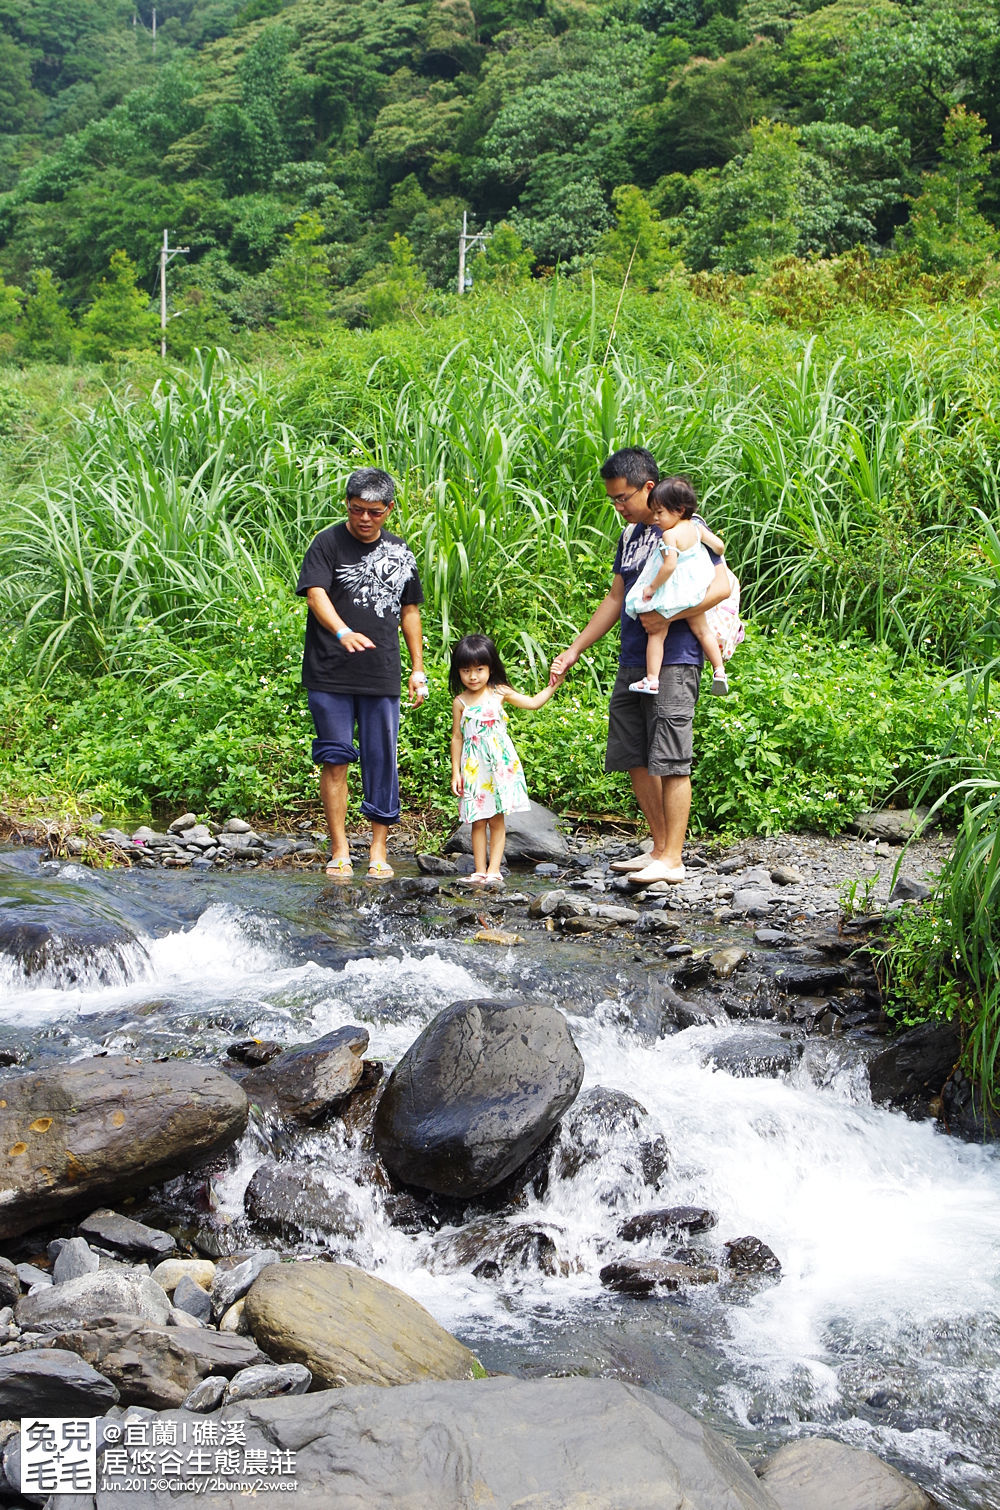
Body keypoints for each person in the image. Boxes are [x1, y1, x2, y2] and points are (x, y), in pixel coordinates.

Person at [550, 447, 729, 887]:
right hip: (634, 657)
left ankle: (674, 858)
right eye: (612, 499)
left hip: (675, 656)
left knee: (670, 757)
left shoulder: (686, 526)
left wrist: (668, 616)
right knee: (634, 753)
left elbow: (722, 584)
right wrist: (574, 650)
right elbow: (615, 598)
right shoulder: (630, 536)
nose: (618, 507)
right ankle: (658, 847)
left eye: (622, 498)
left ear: (649, 489)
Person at [296, 467, 426, 880]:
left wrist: (418, 669)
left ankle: (378, 849)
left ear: (389, 509)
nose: (364, 519)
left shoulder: (401, 551)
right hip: (330, 672)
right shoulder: (327, 543)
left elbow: (410, 611)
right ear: (347, 506)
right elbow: (315, 593)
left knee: (381, 760)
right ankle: (338, 849)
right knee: (334, 760)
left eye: (373, 511)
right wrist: (342, 630)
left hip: (381, 672)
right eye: (356, 510)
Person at [449, 633, 558, 886]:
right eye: (466, 670)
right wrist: (456, 772)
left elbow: (532, 703)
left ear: (490, 668)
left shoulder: (499, 692)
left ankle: (494, 870)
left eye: (479, 669)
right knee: (477, 819)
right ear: (458, 672)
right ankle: (479, 870)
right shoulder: (461, 701)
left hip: (499, 766)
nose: (473, 676)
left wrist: (553, 684)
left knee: (497, 819)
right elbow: (457, 737)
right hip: (474, 768)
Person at [624, 476, 729, 698]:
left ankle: (652, 680)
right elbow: (719, 547)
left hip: (675, 591)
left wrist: (651, 588)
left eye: (660, 512)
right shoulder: (697, 529)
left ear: (679, 510)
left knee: (657, 633)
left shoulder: (669, 535)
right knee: (702, 630)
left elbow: (669, 566)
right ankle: (719, 671)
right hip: (697, 590)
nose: (656, 518)